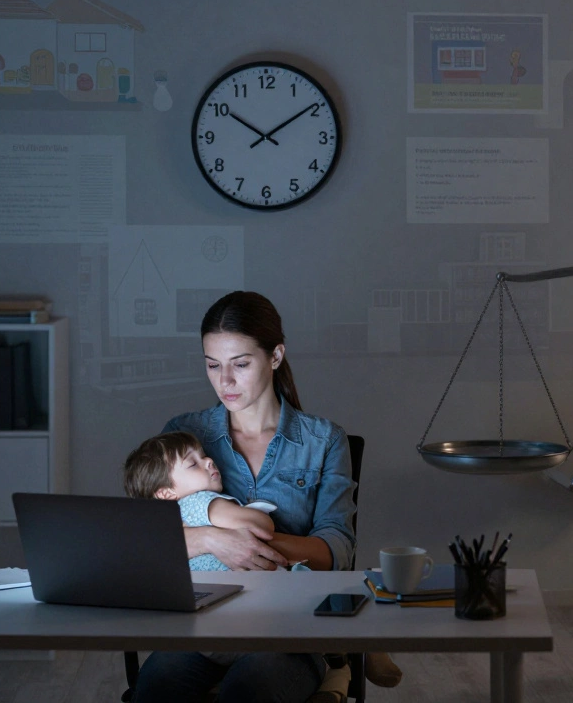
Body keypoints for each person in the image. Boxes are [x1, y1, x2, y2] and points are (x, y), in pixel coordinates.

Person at [130, 291, 397, 702]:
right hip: (204, 627)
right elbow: (144, 536)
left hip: (288, 630)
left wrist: (248, 547)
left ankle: (337, 658)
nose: (225, 382)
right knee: (157, 687)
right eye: (212, 365)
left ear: (275, 356)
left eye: (240, 364)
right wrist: (214, 540)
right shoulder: (185, 434)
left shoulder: (324, 440)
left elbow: (337, 548)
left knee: (251, 689)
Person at [123, 430, 282, 574]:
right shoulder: (199, 501)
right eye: (193, 464)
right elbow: (261, 527)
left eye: (204, 455)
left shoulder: (163, 524)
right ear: (166, 493)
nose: (208, 461)